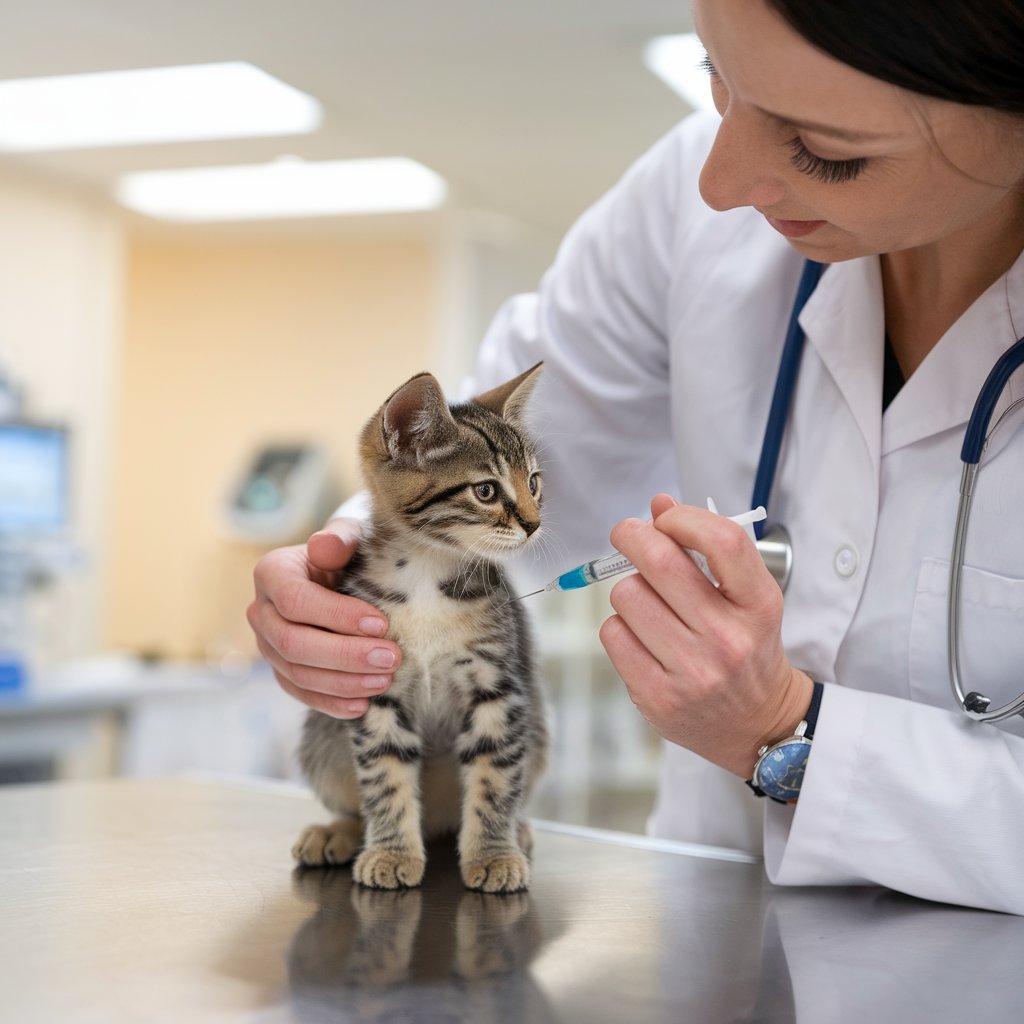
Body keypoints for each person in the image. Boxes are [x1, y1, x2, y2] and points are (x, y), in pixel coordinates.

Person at [248, 0, 1024, 915]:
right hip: (708, 929)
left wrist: (785, 730)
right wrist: (353, 562)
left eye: (824, 147)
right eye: (717, 77)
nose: (720, 182)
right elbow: (521, 444)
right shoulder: (688, 207)